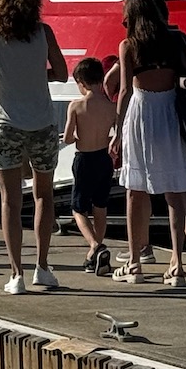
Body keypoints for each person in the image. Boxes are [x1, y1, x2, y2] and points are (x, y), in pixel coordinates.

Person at [110, 0, 186, 286]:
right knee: (175, 190)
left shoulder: (129, 46)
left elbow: (125, 90)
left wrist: (116, 130)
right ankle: (177, 264)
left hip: (140, 113)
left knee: (134, 191)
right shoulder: (175, 42)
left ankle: (135, 263)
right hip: (169, 112)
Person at [0, 0, 67, 293]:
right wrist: (35, 72)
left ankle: (15, 274)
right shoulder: (44, 33)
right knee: (43, 195)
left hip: (3, 126)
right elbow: (61, 73)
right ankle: (42, 267)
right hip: (42, 125)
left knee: (9, 200)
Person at [147, 0, 186, 268]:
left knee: (168, 187)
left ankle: (173, 254)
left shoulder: (156, 43)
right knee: (184, 182)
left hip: (166, 115)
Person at [64, 57, 116, 276]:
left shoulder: (76, 106)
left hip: (84, 158)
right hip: (104, 159)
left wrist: (77, 137)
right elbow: (117, 132)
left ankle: (95, 245)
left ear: (81, 82)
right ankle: (94, 256)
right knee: (100, 206)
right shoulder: (111, 107)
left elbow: (67, 138)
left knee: (78, 208)